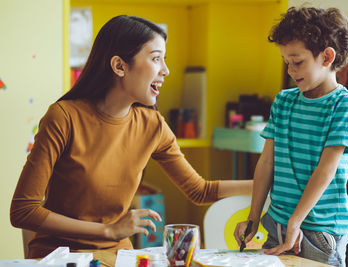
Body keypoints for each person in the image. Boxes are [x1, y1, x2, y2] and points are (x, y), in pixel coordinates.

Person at [10, 15, 252, 258]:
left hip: (119, 256)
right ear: (119, 66)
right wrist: (108, 230)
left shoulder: (153, 125)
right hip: (60, 257)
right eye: (156, 58)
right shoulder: (64, 117)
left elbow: (200, 190)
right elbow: (23, 210)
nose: (166, 70)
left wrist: (269, 185)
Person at [234, 6, 348, 267]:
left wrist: (296, 220)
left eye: (298, 61)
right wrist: (254, 215)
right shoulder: (283, 101)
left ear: (327, 57)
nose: (290, 70)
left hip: (319, 232)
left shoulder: (344, 105)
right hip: (278, 224)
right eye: (286, 62)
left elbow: (326, 170)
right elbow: (267, 162)